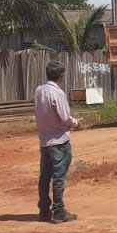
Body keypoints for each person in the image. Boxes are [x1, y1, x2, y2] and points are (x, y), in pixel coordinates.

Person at [34, 60, 82, 223]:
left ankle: (43, 211)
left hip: (44, 141)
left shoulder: (39, 90)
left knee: (45, 177)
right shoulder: (58, 93)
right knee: (59, 178)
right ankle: (59, 211)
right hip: (59, 141)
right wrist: (76, 123)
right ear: (61, 76)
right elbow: (64, 118)